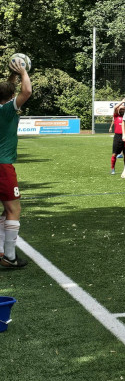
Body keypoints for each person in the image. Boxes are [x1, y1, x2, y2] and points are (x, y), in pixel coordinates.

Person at [0, 59, 32, 268]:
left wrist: (12, 76)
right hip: (2, 165)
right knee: (14, 209)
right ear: (11, 97)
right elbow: (27, 92)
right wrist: (23, 73)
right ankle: (10, 257)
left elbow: (8, 92)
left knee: (5, 210)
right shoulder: (6, 110)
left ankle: (3, 251)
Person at [108, 98, 125, 175]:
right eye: (121, 109)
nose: (122, 110)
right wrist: (122, 102)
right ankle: (112, 168)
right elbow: (115, 108)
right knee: (114, 154)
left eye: (124, 109)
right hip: (117, 137)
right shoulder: (116, 115)